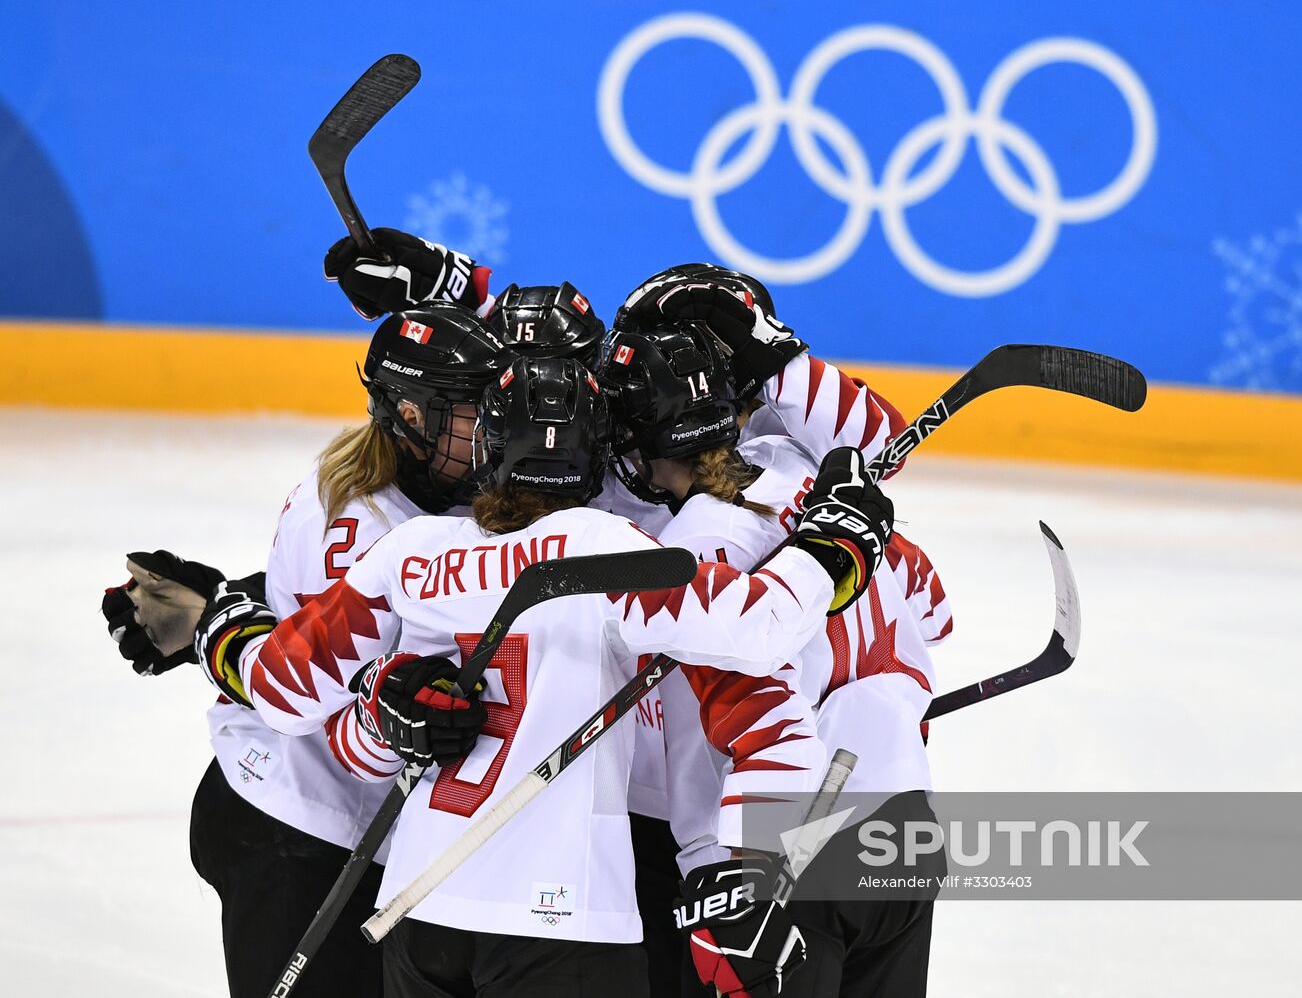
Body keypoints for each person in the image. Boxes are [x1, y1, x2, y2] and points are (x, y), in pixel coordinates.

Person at [190, 353, 894, 998]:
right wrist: (837, 540)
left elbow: (283, 693)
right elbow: (759, 626)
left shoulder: (411, 553)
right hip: (562, 925)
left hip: (417, 909)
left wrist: (376, 697)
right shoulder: (612, 549)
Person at [100, 287, 504, 997]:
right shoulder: (362, 525)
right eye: (477, 413)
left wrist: (459, 281)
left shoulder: (438, 487)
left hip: (359, 831)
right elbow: (318, 693)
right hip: (294, 826)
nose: (497, 430)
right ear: (412, 415)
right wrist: (394, 715)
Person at [600, 318, 952, 998]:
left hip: (785, 856)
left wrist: (738, 876)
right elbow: (936, 614)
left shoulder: (698, 542)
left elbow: (766, 721)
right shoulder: (812, 477)